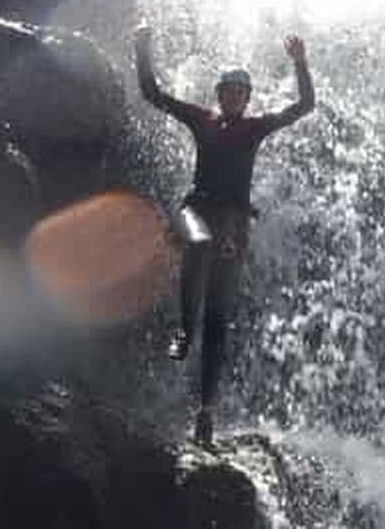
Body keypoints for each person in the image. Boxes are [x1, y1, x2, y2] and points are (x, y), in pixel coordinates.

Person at [134, 24, 315, 445]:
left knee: (218, 320)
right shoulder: (203, 120)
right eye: (227, 90)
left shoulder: (255, 128)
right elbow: (152, 94)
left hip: (232, 225)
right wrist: (142, 47)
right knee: (198, 243)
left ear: (248, 98)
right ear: (218, 94)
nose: (233, 96)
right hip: (194, 212)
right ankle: (183, 329)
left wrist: (301, 63)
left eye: (240, 91)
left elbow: (305, 105)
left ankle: (206, 413)